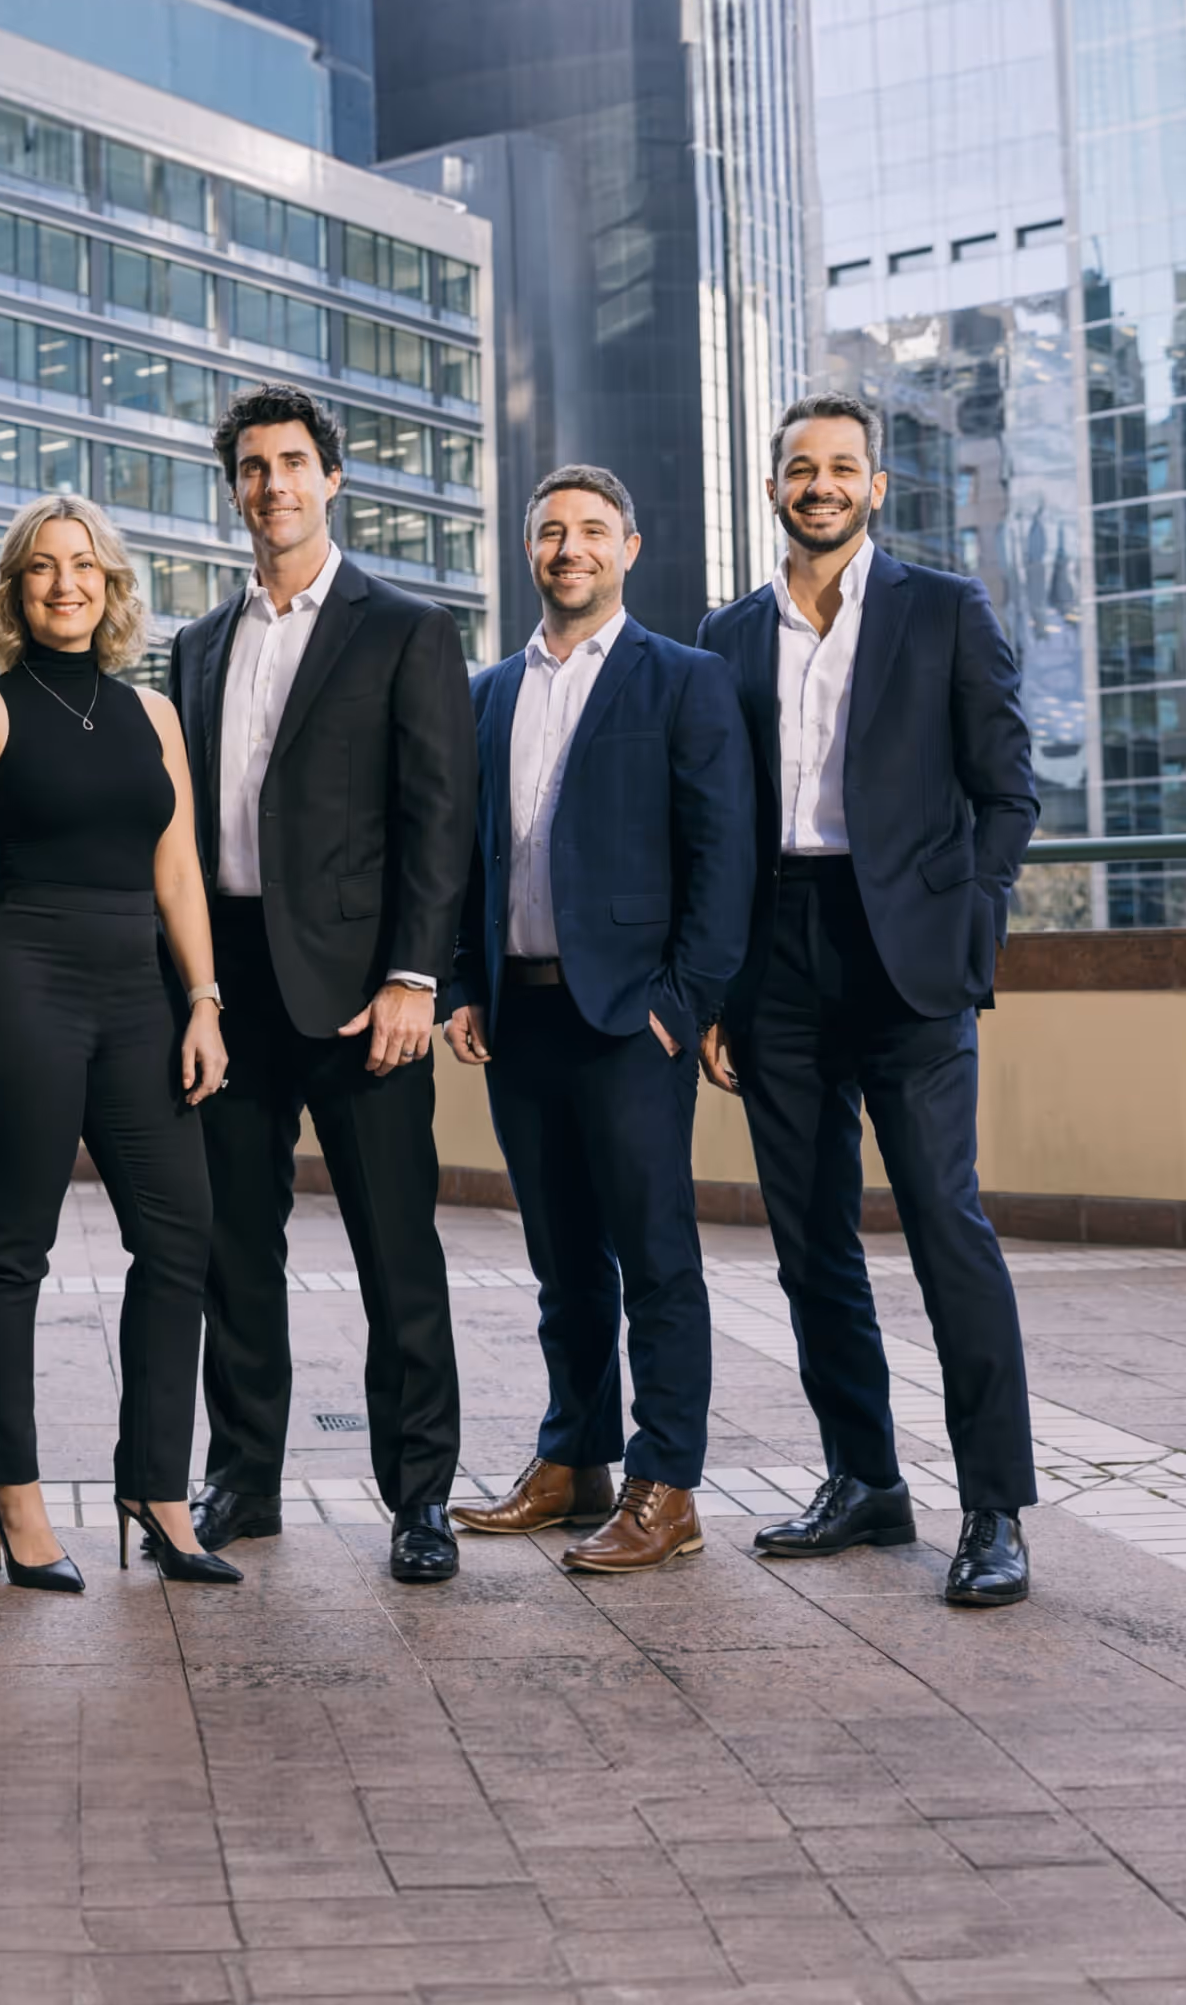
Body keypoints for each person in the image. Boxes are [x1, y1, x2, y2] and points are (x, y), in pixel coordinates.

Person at [696, 392, 1045, 1608]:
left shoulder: (945, 610)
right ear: (777, 484)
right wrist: (719, 989)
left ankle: (993, 1506)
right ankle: (866, 1479)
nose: (822, 484)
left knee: (947, 1223)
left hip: (909, 953)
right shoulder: (725, 635)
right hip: (774, 952)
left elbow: (1009, 788)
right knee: (810, 1242)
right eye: (802, 467)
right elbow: (715, 823)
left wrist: (973, 920)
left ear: (877, 487)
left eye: (844, 467)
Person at [167, 383, 476, 1584]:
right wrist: (187, 988)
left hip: (362, 998)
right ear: (234, 487)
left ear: (332, 479)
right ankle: (244, 1476)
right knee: (232, 1251)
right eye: (252, 467)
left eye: (293, 463)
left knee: (397, 1252)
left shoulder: (405, 628)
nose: (273, 485)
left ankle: (420, 1497)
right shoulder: (199, 644)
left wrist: (414, 977)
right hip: (230, 988)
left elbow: (439, 817)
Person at [440, 466, 753, 1572]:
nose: (568, 548)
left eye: (589, 531)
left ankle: (667, 1485)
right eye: (548, 532)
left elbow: (724, 862)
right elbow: (467, 857)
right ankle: (574, 1461)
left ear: (629, 545)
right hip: (519, 1019)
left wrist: (682, 1008)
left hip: (631, 1024)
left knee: (655, 1257)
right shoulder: (485, 694)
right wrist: (463, 983)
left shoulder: (684, 680)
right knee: (561, 1261)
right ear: (528, 551)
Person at [0, 494, 240, 1592]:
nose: (66, 585)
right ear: (14, 592)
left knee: (182, 1235)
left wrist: (204, 999)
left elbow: (178, 872)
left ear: (113, 588)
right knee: (13, 1246)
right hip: (27, 985)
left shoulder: (154, 716)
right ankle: (13, 1499)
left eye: (86, 568)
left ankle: (157, 1489)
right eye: (43, 570)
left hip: (140, 995)